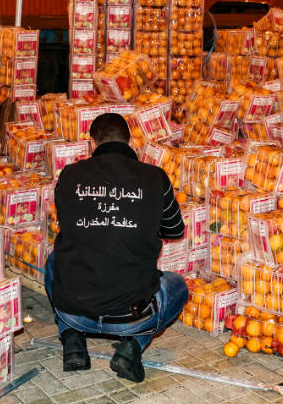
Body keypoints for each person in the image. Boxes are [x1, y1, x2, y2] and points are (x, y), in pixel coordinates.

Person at [44, 113, 186, 383]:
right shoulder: (155, 177)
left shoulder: (70, 175)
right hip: (131, 316)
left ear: (91, 143)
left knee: (55, 259)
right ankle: (132, 346)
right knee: (177, 285)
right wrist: (139, 222)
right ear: (130, 141)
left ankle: (72, 337)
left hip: (75, 310)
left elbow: (68, 225)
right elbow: (176, 230)